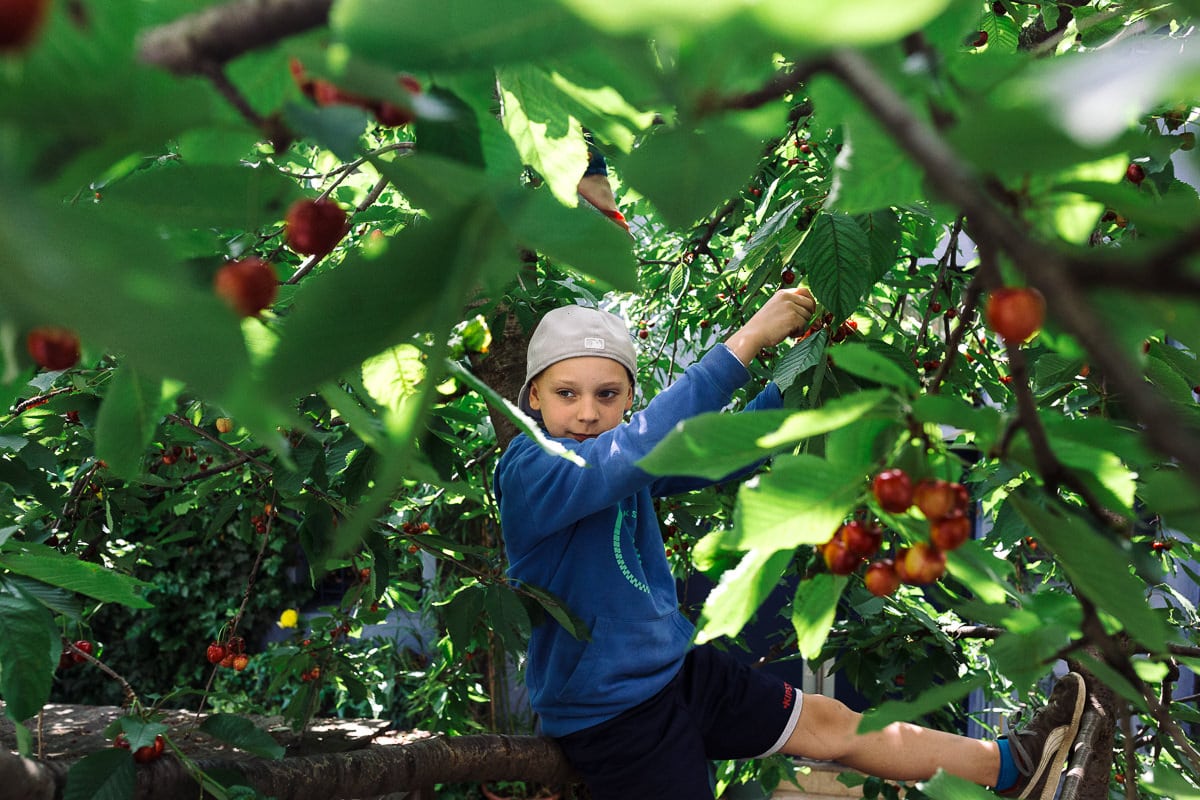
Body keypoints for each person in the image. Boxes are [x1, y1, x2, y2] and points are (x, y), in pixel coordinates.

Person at [492, 296, 1087, 800]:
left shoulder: (621, 448)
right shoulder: (532, 469)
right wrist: (747, 340)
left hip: (674, 672)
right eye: (566, 394)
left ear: (628, 397)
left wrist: (806, 376)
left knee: (830, 722)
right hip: (614, 716)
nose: (588, 413)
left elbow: (719, 452)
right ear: (533, 397)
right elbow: (644, 447)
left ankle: (1012, 767)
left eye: (608, 393)